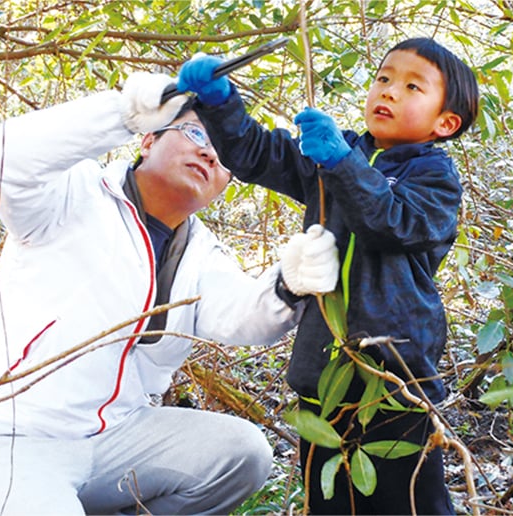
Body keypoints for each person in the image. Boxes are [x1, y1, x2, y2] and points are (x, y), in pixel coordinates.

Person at [0, 72, 340, 515]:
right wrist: (121, 112)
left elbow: (241, 315)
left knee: (243, 453)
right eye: (194, 133)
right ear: (148, 140)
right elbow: (3, 155)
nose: (209, 152)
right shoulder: (73, 194)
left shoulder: (201, 252)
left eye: (224, 155)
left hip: (117, 440)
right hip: (11, 435)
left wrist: (288, 283)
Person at [176, 36, 479, 514]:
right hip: (324, 375)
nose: (389, 91)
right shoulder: (330, 156)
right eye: (383, 78)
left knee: (409, 501)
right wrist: (220, 103)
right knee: (330, 499)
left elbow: (392, 223)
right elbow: (256, 152)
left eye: (412, 86)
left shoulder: (435, 177)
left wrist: (341, 162)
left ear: (445, 123)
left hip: (395, 376)